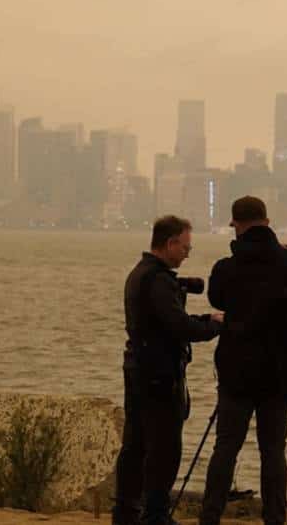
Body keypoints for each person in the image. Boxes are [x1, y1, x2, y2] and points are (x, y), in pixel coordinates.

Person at [197, 197, 287, 525]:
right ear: (267, 221)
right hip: (280, 373)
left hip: (236, 370)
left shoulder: (226, 268)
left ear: (236, 225)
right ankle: (275, 519)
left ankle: (210, 517)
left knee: (226, 447)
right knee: (273, 451)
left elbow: (217, 298)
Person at [113, 215, 225, 525]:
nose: (188, 252)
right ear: (171, 242)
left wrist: (202, 319)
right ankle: (156, 514)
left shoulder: (141, 274)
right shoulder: (158, 279)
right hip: (159, 375)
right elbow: (177, 326)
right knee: (164, 448)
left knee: (135, 445)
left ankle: (126, 512)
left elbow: (165, 320)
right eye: (186, 246)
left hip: (138, 368)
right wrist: (213, 327)